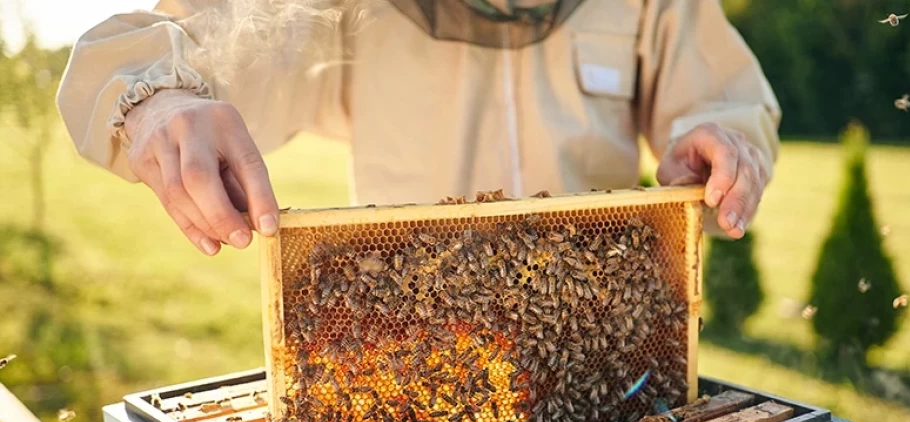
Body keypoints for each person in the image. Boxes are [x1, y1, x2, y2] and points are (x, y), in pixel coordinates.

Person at [57, 0, 780, 257]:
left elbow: (724, 100)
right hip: (418, 356)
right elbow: (171, 42)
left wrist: (718, 143)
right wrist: (158, 103)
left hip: (605, 368)